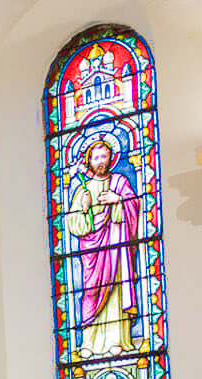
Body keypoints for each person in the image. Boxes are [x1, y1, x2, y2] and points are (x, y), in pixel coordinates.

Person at [64, 138, 140, 359]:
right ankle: (89, 342)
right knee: (91, 291)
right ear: (89, 160)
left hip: (116, 246)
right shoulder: (83, 189)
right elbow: (74, 224)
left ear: (110, 158)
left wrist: (119, 200)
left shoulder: (119, 182)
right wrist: (84, 209)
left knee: (115, 287)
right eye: (96, 157)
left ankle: (117, 339)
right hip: (92, 252)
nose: (100, 161)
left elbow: (134, 206)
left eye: (104, 156)